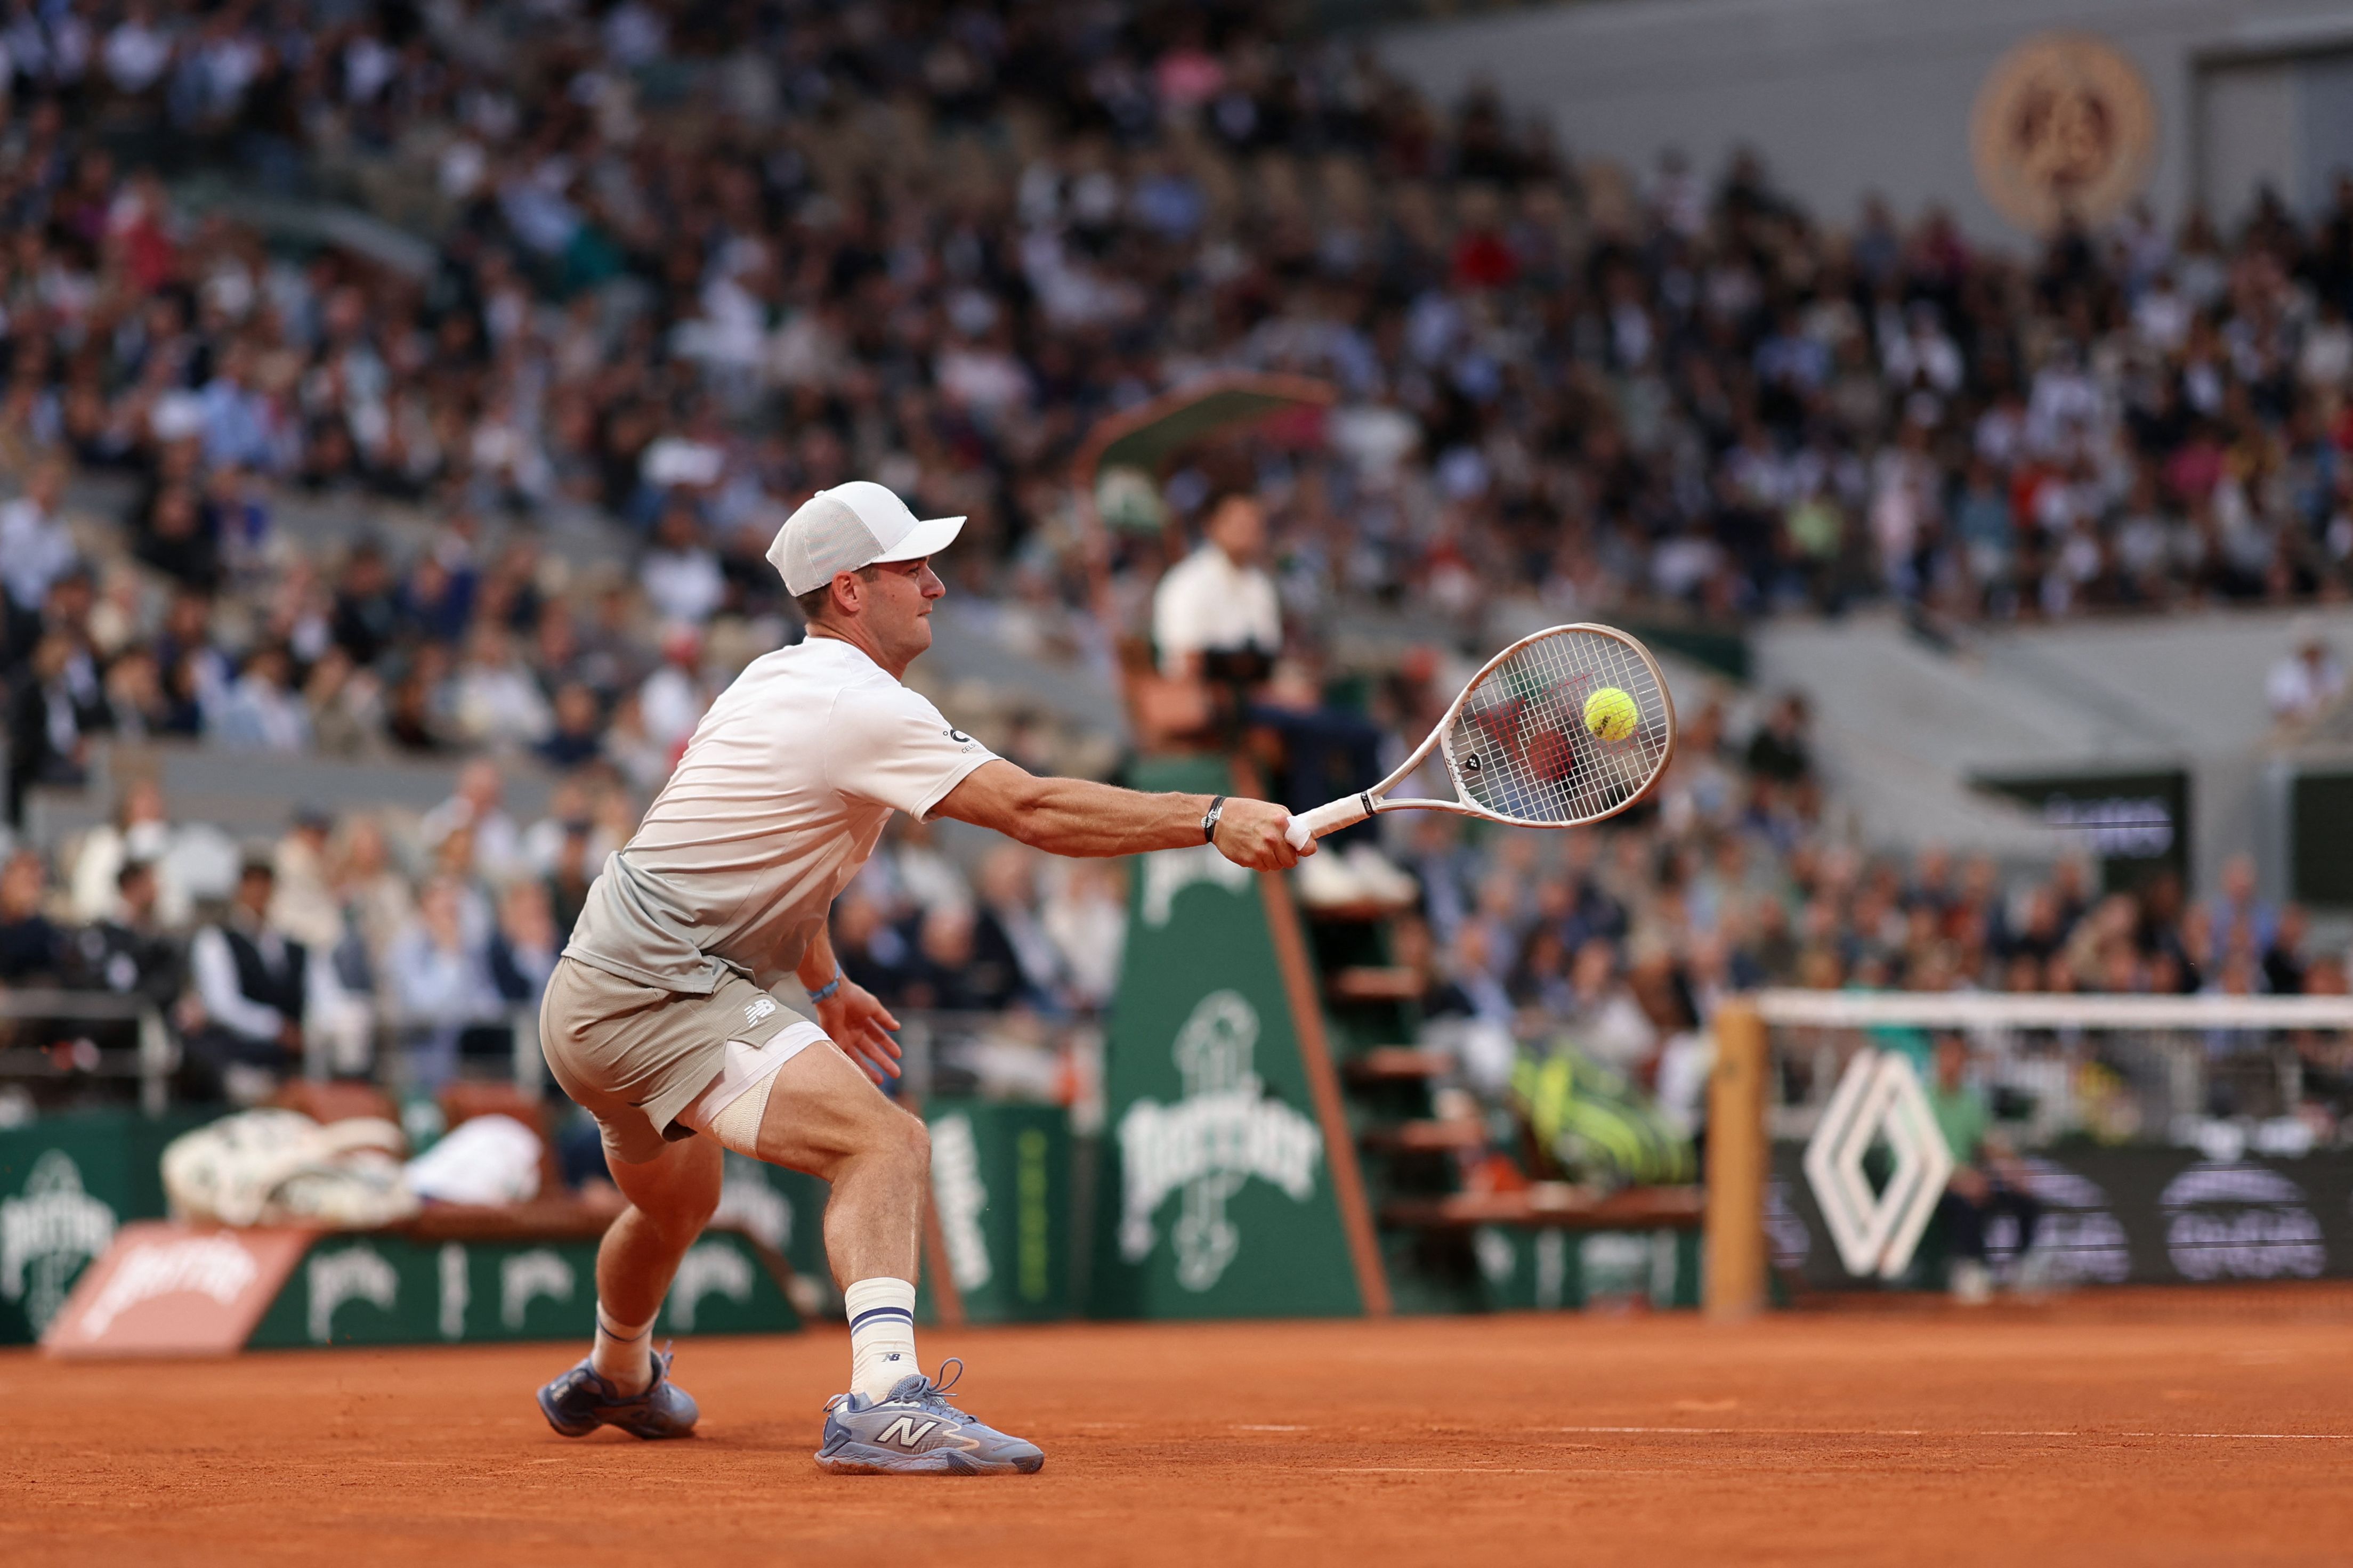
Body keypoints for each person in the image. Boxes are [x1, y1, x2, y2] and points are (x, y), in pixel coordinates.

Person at [533, 480, 1306, 1471]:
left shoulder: (774, 679)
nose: (937, 587)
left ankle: (616, 1373)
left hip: (588, 993)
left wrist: (822, 982)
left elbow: (767, 852)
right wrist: (1210, 816)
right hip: (660, 985)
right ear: (851, 591)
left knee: (676, 1203)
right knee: (882, 1142)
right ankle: (882, 1396)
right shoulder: (861, 704)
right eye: (915, 569)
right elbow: (1032, 810)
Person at [1927, 1033, 2041, 1303]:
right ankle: (1970, 1269)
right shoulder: (1922, 1100)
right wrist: (1957, 1179)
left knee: (2026, 1202)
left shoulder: (1969, 1100)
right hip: (1932, 1187)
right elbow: (1918, 1157)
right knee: (1966, 1203)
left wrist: (2014, 1169)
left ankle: (2021, 1270)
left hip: (1969, 1180)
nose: (1953, 1064)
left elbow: (1988, 1142)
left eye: (1959, 1057)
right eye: (1948, 1056)